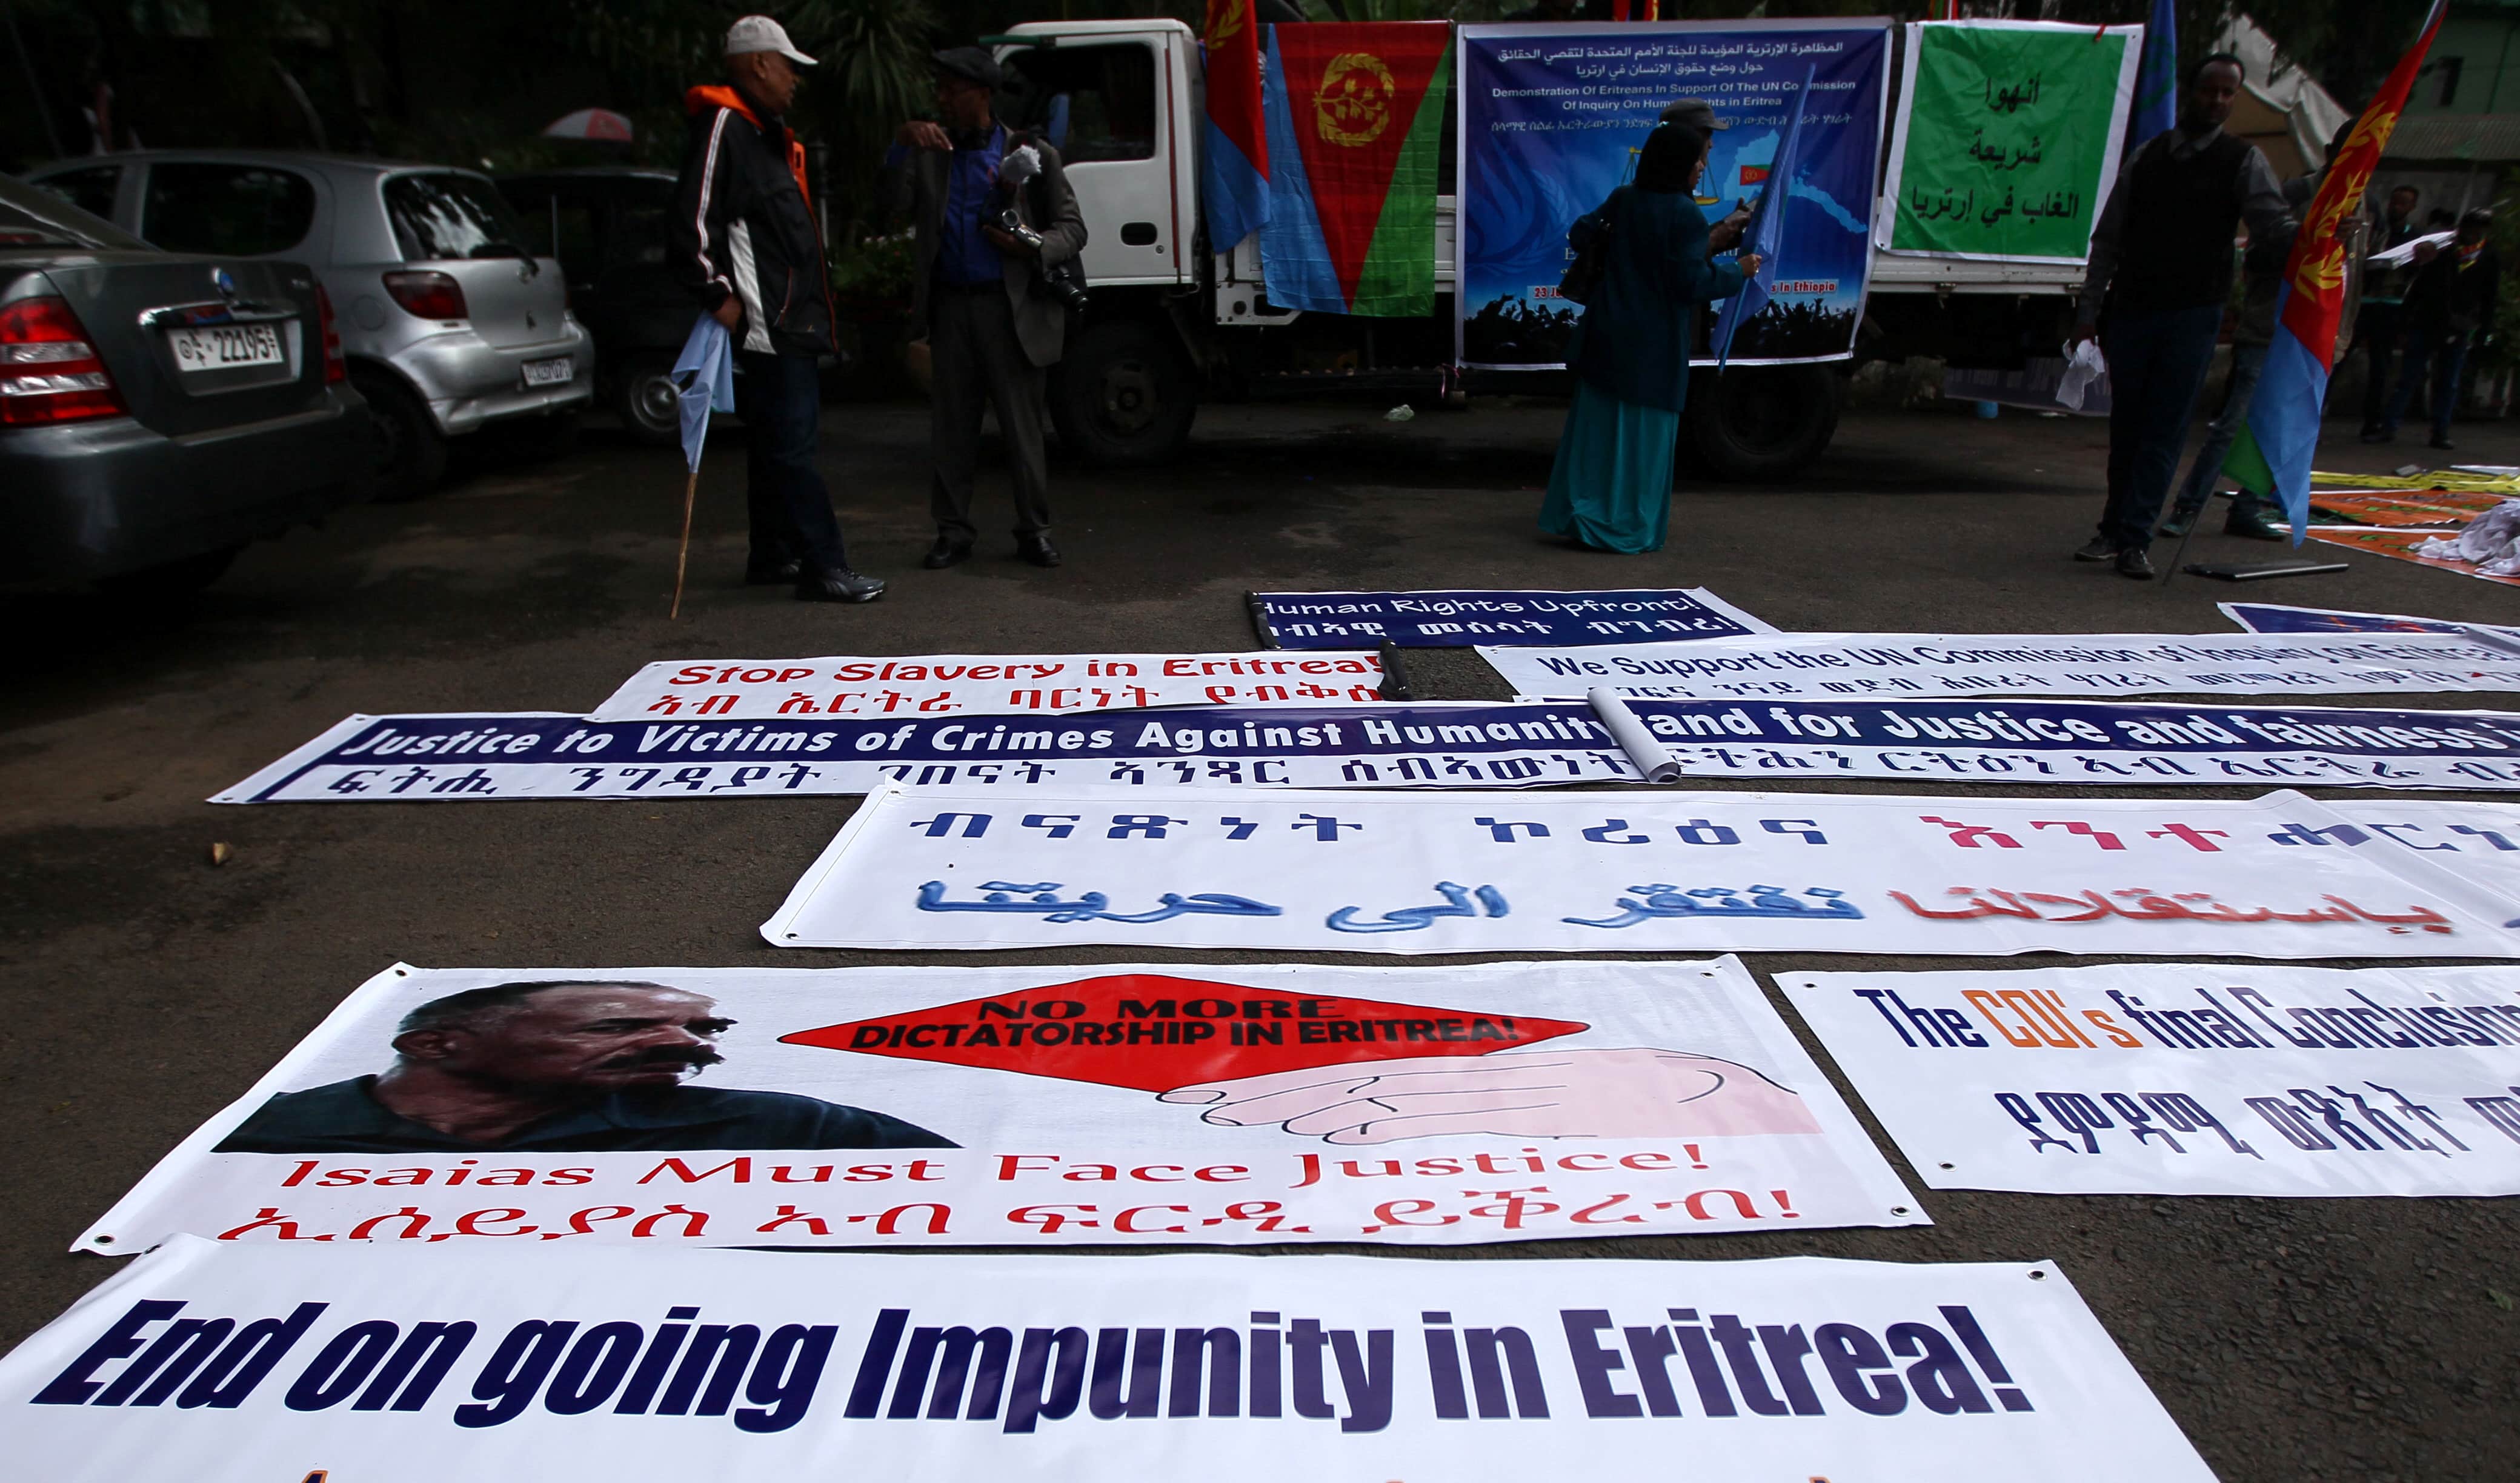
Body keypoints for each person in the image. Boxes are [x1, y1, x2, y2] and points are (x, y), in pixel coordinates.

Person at [216, 981, 954, 1153]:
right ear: (437, 1045)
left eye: (701, 1027)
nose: (684, 1043)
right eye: (618, 1026)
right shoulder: (266, 1133)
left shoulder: (780, 1126)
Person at [671, 16, 883, 604]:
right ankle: (824, 564)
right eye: (788, 66)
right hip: (770, 322)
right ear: (759, 64)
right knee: (792, 446)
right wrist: (721, 298)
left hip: (790, 319)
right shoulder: (724, 126)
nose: (794, 80)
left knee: (773, 444)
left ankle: (772, 553)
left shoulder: (764, 135)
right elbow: (691, 226)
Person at [2068, 53, 2292, 580]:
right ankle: (2111, 526)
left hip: (2193, 316)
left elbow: (2273, 225)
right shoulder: (2148, 158)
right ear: (2191, 92)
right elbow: (2107, 239)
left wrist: (2319, 231)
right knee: (2127, 426)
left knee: (2165, 429)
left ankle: (2135, 538)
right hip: (2134, 312)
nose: (2216, 101)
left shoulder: (2242, 161)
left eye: (2226, 93)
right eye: (2208, 90)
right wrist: (2088, 312)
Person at [890, 47, 1087, 571]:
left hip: (1012, 309)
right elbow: (890, 204)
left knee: (1023, 429)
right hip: (951, 308)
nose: (941, 99)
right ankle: (952, 532)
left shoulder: (1029, 151)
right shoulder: (931, 151)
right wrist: (900, 145)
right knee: (951, 429)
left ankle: (1034, 531)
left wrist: (1032, 247)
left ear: (980, 93)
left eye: (951, 90)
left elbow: (1072, 228)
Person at [1538, 122, 1754, 553]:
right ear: (1677, 163)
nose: (1701, 167)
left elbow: (1581, 233)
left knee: (1597, 435)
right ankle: (1623, 525)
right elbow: (1689, 283)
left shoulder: (1624, 199)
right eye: (1697, 158)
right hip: (1652, 348)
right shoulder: (1684, 213)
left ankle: (1580, 516)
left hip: (1605, 337)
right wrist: (1739, 271)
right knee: (1641, 443)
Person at [2160, 125, 2364, 543]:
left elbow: (2353, 274)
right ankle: (2188, 505)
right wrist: (2312, 235)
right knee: (2234, 423)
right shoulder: (2294, 194)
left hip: (2321, 337)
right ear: (2330, 153)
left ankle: (2248, 505)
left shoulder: (2364, 206)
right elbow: (2259, 252)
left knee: (2287, 425)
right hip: (2270, 326)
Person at [2378, 208, 2499, 452]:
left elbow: (2489, 297)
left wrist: (2484, 330)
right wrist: (2405, 320)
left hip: (2459, 325)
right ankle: (2388, 427)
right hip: (2427, 321)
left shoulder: (2488, 256)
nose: (2473, 233)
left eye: (2479, 229)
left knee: (2448, 383)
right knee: (2408, 378)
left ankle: (2440, 432)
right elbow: (2418, 287)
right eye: (2470, 227)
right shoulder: (2443, 252)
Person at [2356, 184, 2424, 440]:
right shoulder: (2376, 230)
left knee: (2380, 367)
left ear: (2412, 207)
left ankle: (2372, 422)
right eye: (2394, 202)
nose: (2397, 207)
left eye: (2403, 203)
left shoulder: (2415, 237)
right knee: (2337, 360)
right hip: (2365, 301)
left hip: (2391, 306)